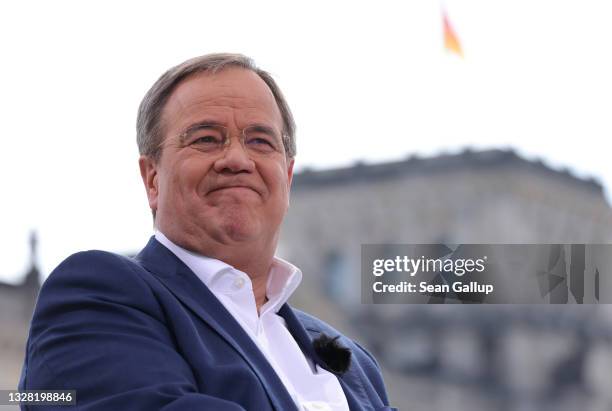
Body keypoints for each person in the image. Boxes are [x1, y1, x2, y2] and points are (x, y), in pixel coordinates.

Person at [19, 53, 395, 411]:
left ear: (288, 176)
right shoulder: (99, 297)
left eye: (260, 142)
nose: (236, 159)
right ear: (152, 179)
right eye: (205, 139)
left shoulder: (356, 361)